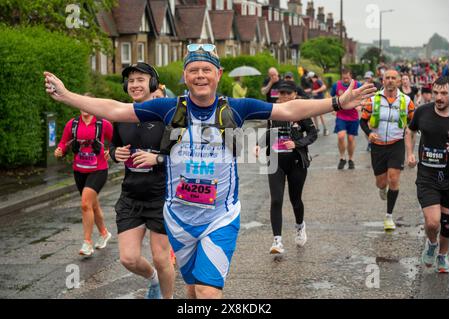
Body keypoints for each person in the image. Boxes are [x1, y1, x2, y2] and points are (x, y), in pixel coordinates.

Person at [44, 43, 376, 299]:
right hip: (179, 220)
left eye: (207, 69)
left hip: (220, 217)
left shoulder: (237, 108)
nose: (200, 75)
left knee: (206, 292)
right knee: (192, 290)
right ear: (185, 77)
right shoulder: (168, 108)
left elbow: (289, 109)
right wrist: (68, 96)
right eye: (194, 71)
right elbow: (115, 110)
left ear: (217, 75)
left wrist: (336, 103)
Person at [109, 63, 175, 299]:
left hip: (161, 195)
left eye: (141, 79)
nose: (135, 85)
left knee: (160, 257)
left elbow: (183, 154)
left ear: (153, 84)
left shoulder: (167, 116)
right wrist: (114, 154)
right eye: (131, 81)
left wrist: (157, 158)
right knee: (128, 258)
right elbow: (113, 145)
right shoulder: (121, 117)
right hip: (131, 195)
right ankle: (153, 280)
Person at [255, 80, 317, 254]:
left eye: (287, 93)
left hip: (297, 161)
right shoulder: (273, 112)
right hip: (275, 161)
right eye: (281, 93)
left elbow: (313, 134)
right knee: (276, 199)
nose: (283, 97)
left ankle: (299, 225)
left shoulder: (302, 111)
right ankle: (277, 241)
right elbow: (269, 132)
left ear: (294, 95)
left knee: (295, 199)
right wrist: (259, 144)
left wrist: (297, 144)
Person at [54, 96, 113, 257]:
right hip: (79, 170)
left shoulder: (103, 124)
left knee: (85, 204)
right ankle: (104, 233)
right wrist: (60, 150)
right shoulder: (72, 124)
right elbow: (63, 142)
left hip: (98, 170)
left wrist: (111, 150)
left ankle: (87, 243)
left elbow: (116, 140)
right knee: (92, 205)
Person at [360, 69, 415, 231]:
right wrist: (369, 133)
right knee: (381, 182)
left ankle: (389, 216)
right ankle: (382, 189)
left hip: (396, 144)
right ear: (382, 81)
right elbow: (362, 121)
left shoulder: (406, 101)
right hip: (377, 147)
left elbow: (413, 124)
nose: (390, 80)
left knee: (393, 179)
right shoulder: (372, 100)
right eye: (387, 78)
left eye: (393, 78)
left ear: (399, 81)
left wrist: (411, 151)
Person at [405, 76, 449, 273]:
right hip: (427, 177)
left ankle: (442, 255)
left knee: (447, 226)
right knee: (433, 222)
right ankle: (432, 244)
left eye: (444, 93)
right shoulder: (423, 111)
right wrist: (410, 153)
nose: (439, 97)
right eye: (436, 92)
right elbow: (410, 131)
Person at [330, 69, 362, 170]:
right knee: (340, 136)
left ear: (351, 76)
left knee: (351, 138)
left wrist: (360, 106)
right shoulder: (336, 85)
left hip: (353, 116)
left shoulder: (358, 85)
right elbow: (332, 97)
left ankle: (351, 159)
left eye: (347, 78)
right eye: (344, 78)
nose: (345, 80)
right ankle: (342, 157)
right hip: (341, 115)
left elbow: (364, 96)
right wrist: (333, 108)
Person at [309, 72, 330, 136]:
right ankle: (317, 129)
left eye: (311, 77)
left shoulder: (318, 81)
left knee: (321, 115)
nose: (310, 79)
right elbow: (312, 90)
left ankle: (325, 129)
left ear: (313, 77)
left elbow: (324, 87)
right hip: (315, 100)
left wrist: (316, 91)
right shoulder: (313, 83)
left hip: (320, 100)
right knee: (314, 114)